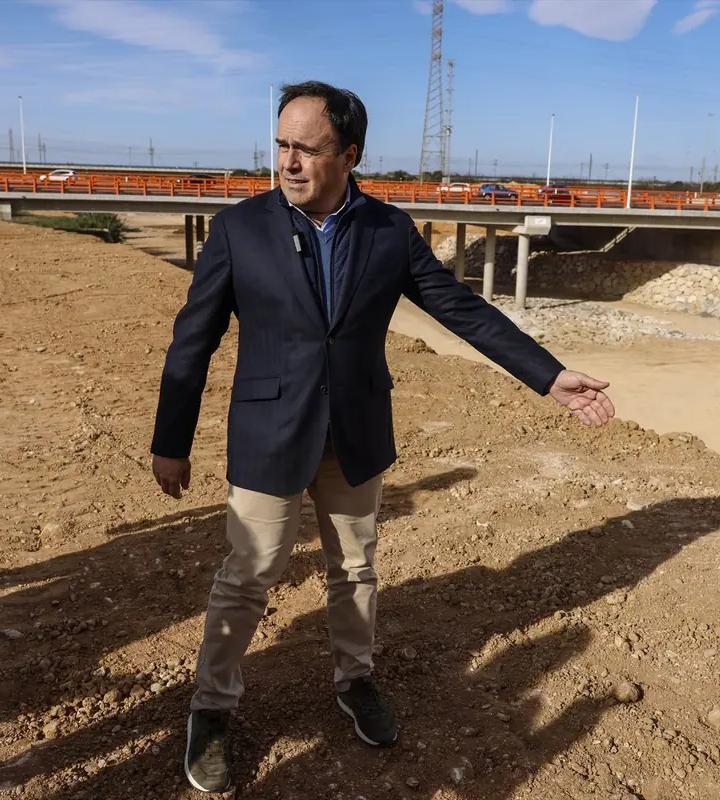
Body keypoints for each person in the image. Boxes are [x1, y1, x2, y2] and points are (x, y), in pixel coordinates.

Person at [150, 80, 615, 794]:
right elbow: (193, 340)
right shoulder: (239, 229)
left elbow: (460, 309)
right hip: (270, 434)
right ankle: (212, 709)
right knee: (248, 575)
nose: (289, 162)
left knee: (356, 568)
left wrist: (547, 375)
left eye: (308, 148)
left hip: (356, 434)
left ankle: (355, 679)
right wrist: (171, 440)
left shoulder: (389, 231)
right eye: (281, 145)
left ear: (350, 155)